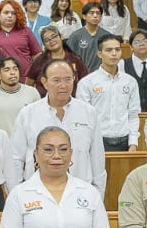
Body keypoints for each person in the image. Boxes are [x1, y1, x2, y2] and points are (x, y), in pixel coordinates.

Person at [11, 59, 107, 193]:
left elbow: (97, 157)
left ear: (74, 79)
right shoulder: (28, 114)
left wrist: (97, 192)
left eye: (68, 79)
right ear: (44, 82)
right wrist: (17, 193)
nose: (63, 85)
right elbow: (16, 158)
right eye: (56, 80)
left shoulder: (88, 112)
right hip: (37, 192)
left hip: (80, 191)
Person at [75, 34, 139, 152]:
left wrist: (133, 143)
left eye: (117, 49)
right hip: (96, 141)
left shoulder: (130, 82)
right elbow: (83, 117)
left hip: (124, 141)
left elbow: (133, 114)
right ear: (99, 54)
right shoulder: (87, 83)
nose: (114, 53)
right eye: (109, 50)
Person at [0, 56, 40, 137]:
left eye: (15, 69)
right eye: (7, 70)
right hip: (0, 144)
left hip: (27, 142)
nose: (12, 72)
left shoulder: (32, 92)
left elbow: (38, 119)